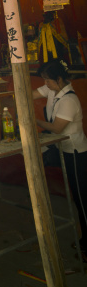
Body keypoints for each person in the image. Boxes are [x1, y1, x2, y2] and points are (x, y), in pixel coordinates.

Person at [33, 59, 87, 261]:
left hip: (76, 153)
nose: (45, 84)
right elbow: (30, 94)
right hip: (63, 150)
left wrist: (32, 120)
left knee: (83, 201)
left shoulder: (69, 100)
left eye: (48, 80)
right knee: (78, 199)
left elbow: (56, 128)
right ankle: (84, 241)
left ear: (59, 79)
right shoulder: (53, 90)